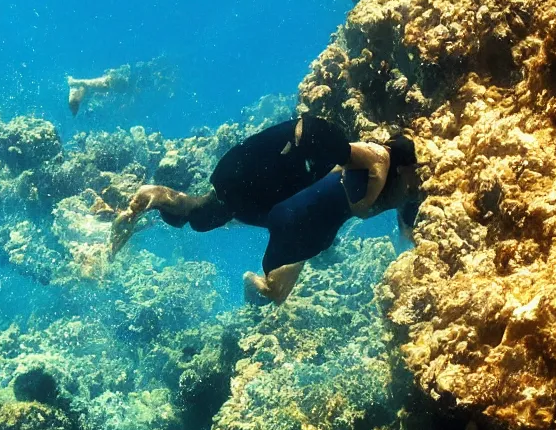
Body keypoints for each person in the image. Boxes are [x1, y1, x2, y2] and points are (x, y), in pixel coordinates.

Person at [109, 115, 420, 305]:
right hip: (282, 165)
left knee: (204, 215)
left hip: (258, 174)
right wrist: (367, 204)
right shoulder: (373, 157)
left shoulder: (357, 161)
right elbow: (371, 174)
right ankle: (263, 281)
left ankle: (155, 196)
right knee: (231, 222)